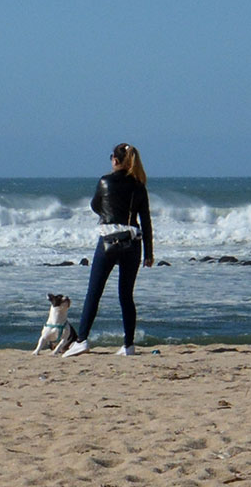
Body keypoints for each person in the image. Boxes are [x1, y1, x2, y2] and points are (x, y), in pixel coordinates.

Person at [63, 143, 153, 357]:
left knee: (94, 292)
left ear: (115, 160)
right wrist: (149, 253)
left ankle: (82, 340)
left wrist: (109, 208)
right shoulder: (139, 185)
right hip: (133, 243)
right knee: (126, 296)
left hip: (108, 242)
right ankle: (128, 345)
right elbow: (146, 221)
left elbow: (95, 206)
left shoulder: (105, 182)